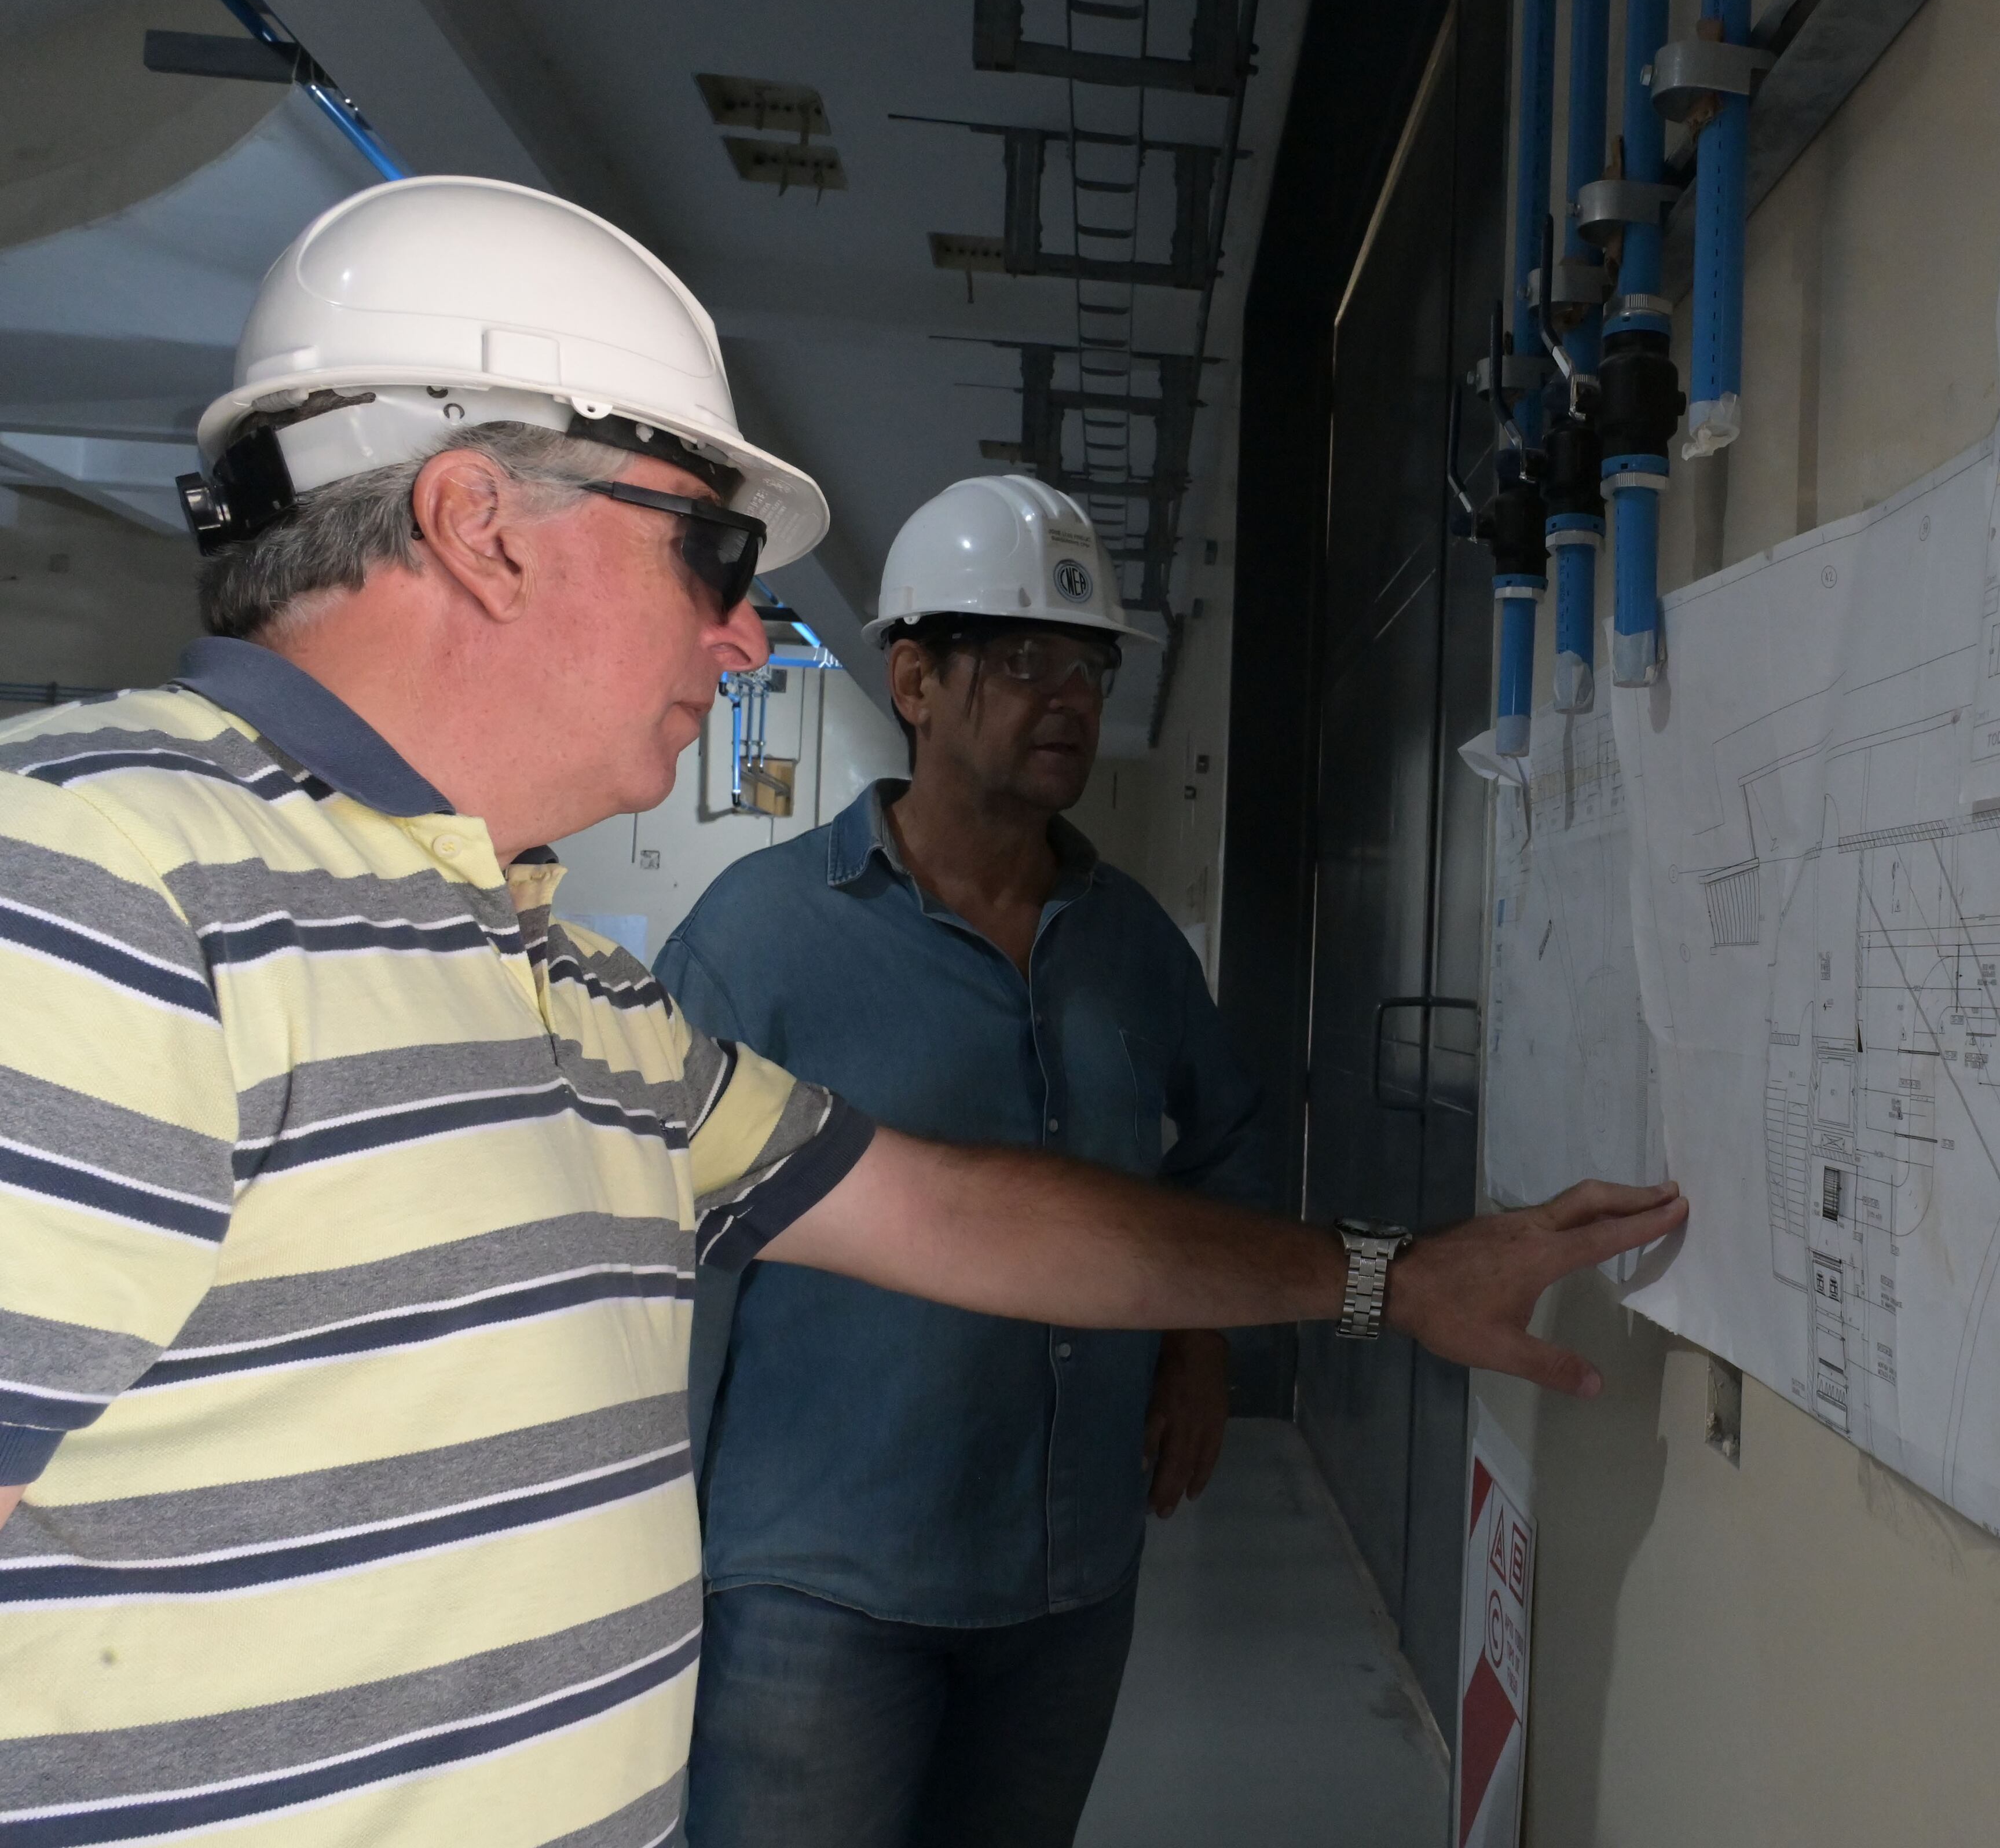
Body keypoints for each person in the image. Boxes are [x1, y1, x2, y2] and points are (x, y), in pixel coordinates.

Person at [0, 175, 1686, 1848]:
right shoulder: (99, 892)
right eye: (713, 554)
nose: (744, 641)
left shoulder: (573, 996)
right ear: (480, 524)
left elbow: (954, 1214)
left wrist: (1395, 1279)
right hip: (825, 1579)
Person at [657, 476, 1254, 1845]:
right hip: (816, 1581)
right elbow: (653, 1251)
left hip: (1066, 1573)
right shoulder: (760, 937)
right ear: (916, 679)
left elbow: (1224, 1132)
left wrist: (1199, 1341)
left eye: (1089, 665)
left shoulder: (1130, 945)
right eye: (1026, 658)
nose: (1069, 697)